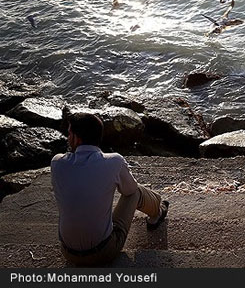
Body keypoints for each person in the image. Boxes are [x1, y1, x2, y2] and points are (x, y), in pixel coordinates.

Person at [51, 113, 169, 266]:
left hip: (68, 253)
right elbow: (130, 190)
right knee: (136, 191)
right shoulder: (114, 161)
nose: (67, 138)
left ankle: (157, 208)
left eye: (69, 134)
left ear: (77, 139)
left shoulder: (57, 163)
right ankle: (157, 213)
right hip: (102, 253)